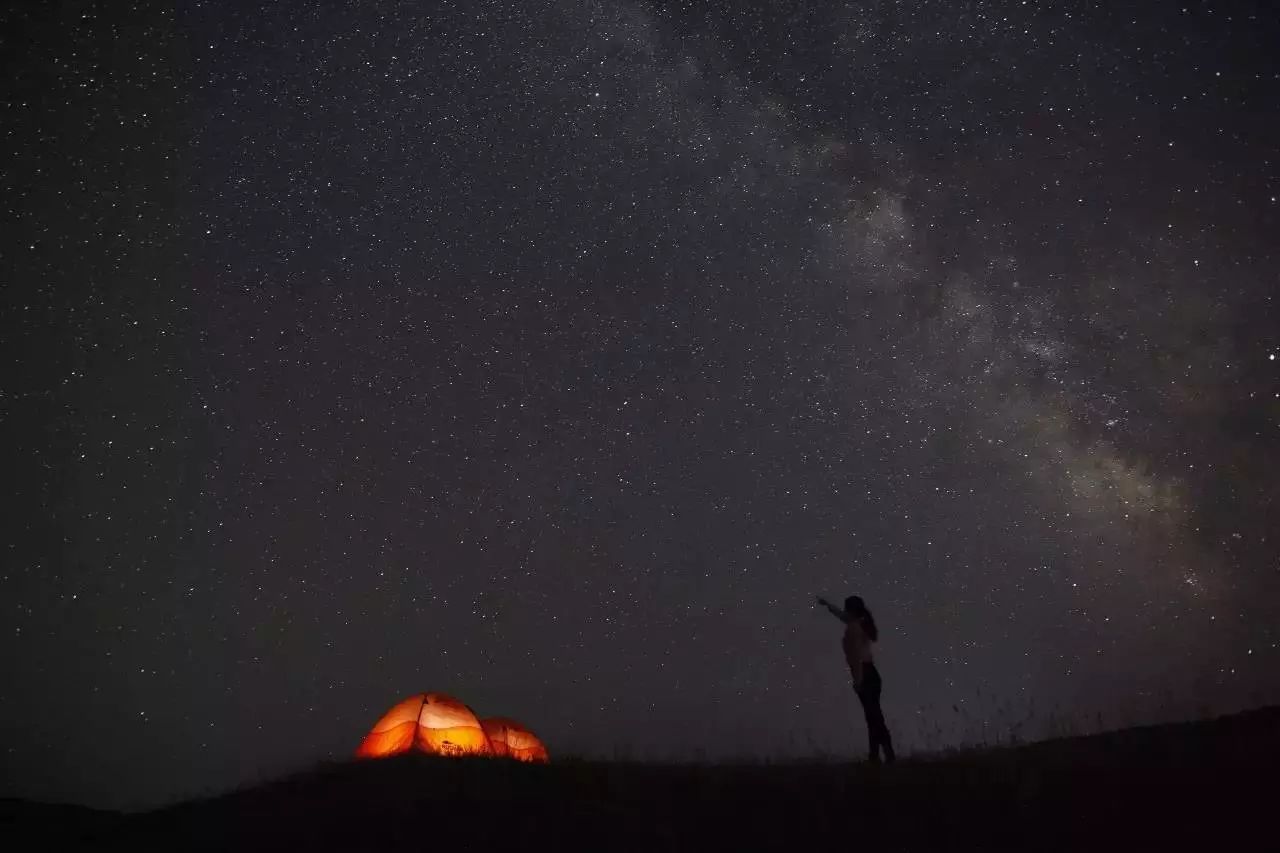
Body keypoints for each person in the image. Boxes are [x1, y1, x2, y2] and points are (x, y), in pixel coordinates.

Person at [817, 594, 895, 764]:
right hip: (871, 673)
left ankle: (886, 754)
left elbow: (856, 657)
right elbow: (842, 616)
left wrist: (858, 681)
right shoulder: (861, 623)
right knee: (873, 716)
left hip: (865, 674)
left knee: (874, 718)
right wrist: (828, 604)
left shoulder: (854, 628)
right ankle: (876, 755)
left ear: (851, 610)